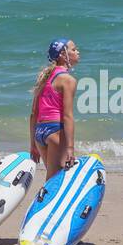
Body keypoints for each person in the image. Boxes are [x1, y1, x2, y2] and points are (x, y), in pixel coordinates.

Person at [29, 37, 80, 179]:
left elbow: (34, 113)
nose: (78, 52)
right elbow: (67, 115)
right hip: (55, 132)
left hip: (40, 133)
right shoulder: (68, 80)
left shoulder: (43, 77)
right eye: (74, 49)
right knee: (54, 182)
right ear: (63, 55)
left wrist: (33, 143)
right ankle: (42, 201)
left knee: (52, 178)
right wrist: (70, 148)